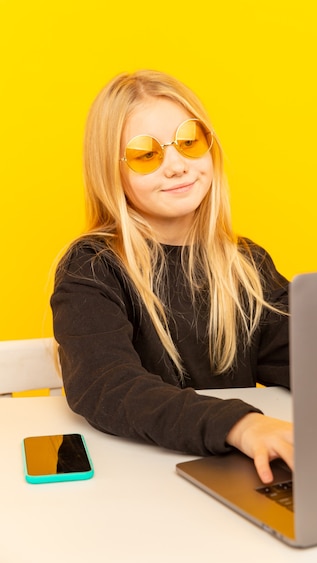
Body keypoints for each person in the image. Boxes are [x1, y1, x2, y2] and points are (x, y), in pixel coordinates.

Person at [51, 69, 293, 484]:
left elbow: (299, 358)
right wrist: (242, 425)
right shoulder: (91, 269)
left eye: (188, 141)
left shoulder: (246, 264)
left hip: (238, 477)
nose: (177, 166)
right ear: (111, 173)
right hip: (139, 487)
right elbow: (108, 386)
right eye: (146, 154)